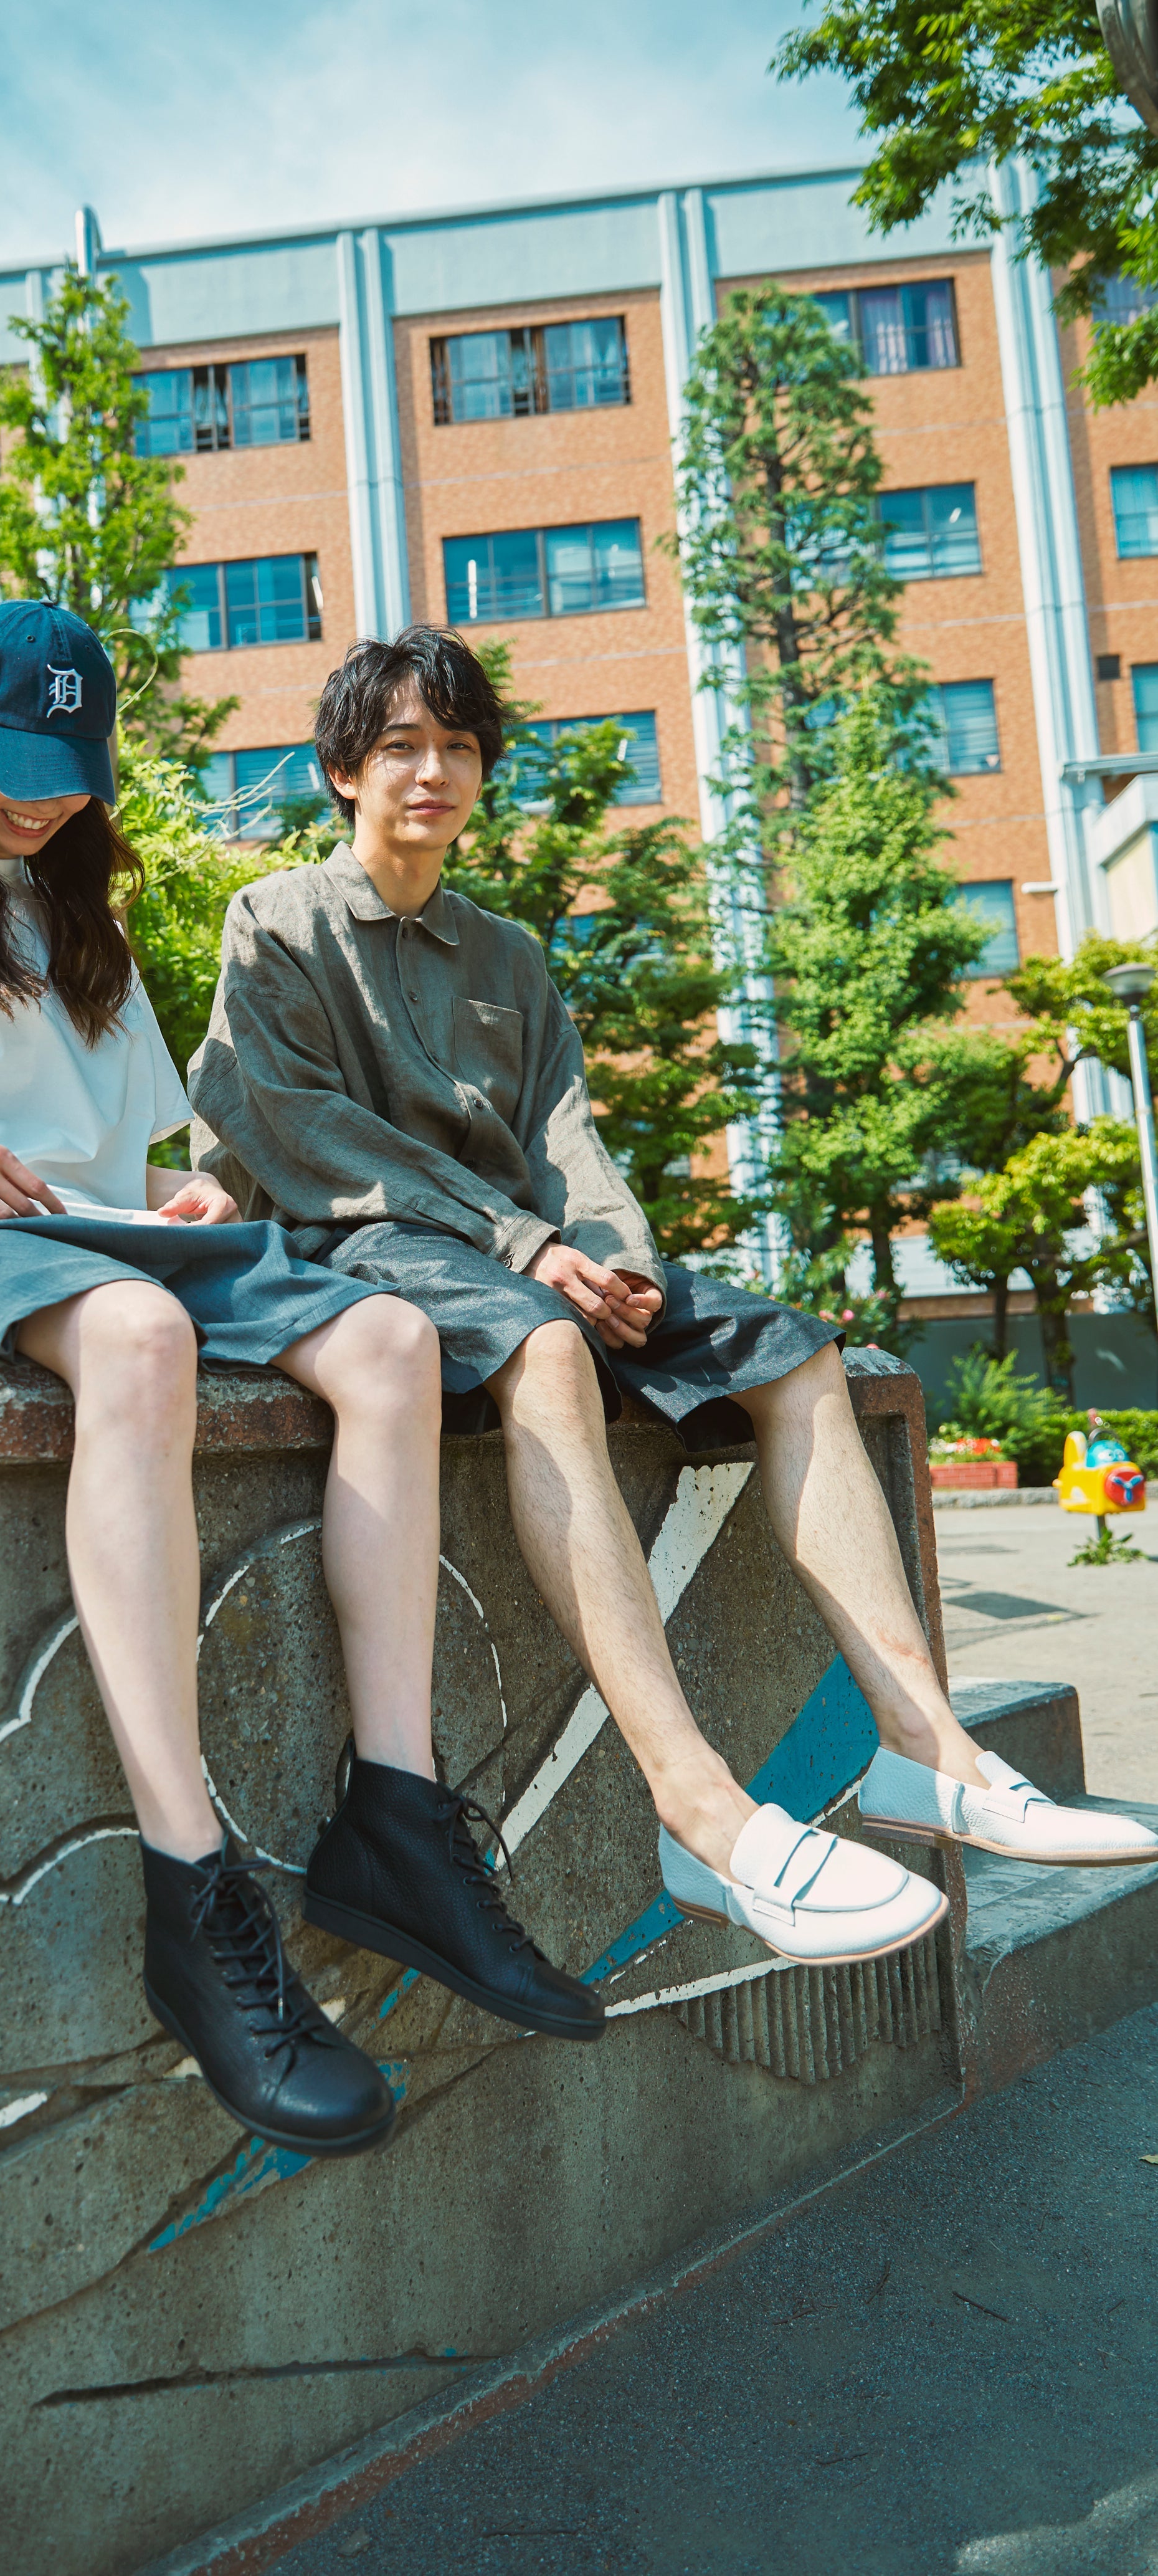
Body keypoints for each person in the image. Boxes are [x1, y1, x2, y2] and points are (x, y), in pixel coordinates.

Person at [0, 604, 604, 2168]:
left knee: (390, 1341)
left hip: (83, 1246)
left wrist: (193, 1202)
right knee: (139, 1337)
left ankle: (398, 1819)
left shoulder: (87, 924)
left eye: (72, 771)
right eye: (15, 763)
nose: (44, 797)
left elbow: (135, 1174)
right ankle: (191, 1880)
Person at [189, 626, 1157, 1977]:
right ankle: (696, 1805)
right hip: (362, 1246)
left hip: (526, 1245)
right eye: (400, 746)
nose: (431, 772)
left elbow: (566, 1130)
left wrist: (617, 1256)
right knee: (541, 1347)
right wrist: (526, 1247)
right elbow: (302, 1133)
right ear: (341, 771)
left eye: (457, 748)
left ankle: (926, 1750)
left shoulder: (509, 956)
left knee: (796, 1355)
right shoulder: (276, 920)